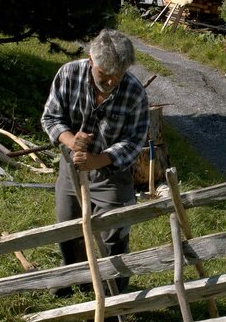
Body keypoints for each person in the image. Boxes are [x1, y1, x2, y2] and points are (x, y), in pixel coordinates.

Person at [41, 29, 150, 293]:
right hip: (72, 167)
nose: (112, 81)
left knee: (113, 232)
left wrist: (98, 160)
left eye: (118, 75)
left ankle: (115, 291)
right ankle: (73, 278)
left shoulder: (134, 93)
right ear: (91, 62)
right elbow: (51, 118)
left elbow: (135, 141)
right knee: (67, 225)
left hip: (112, 172)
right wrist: (71, 141)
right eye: (105, 74)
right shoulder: (68, 75)